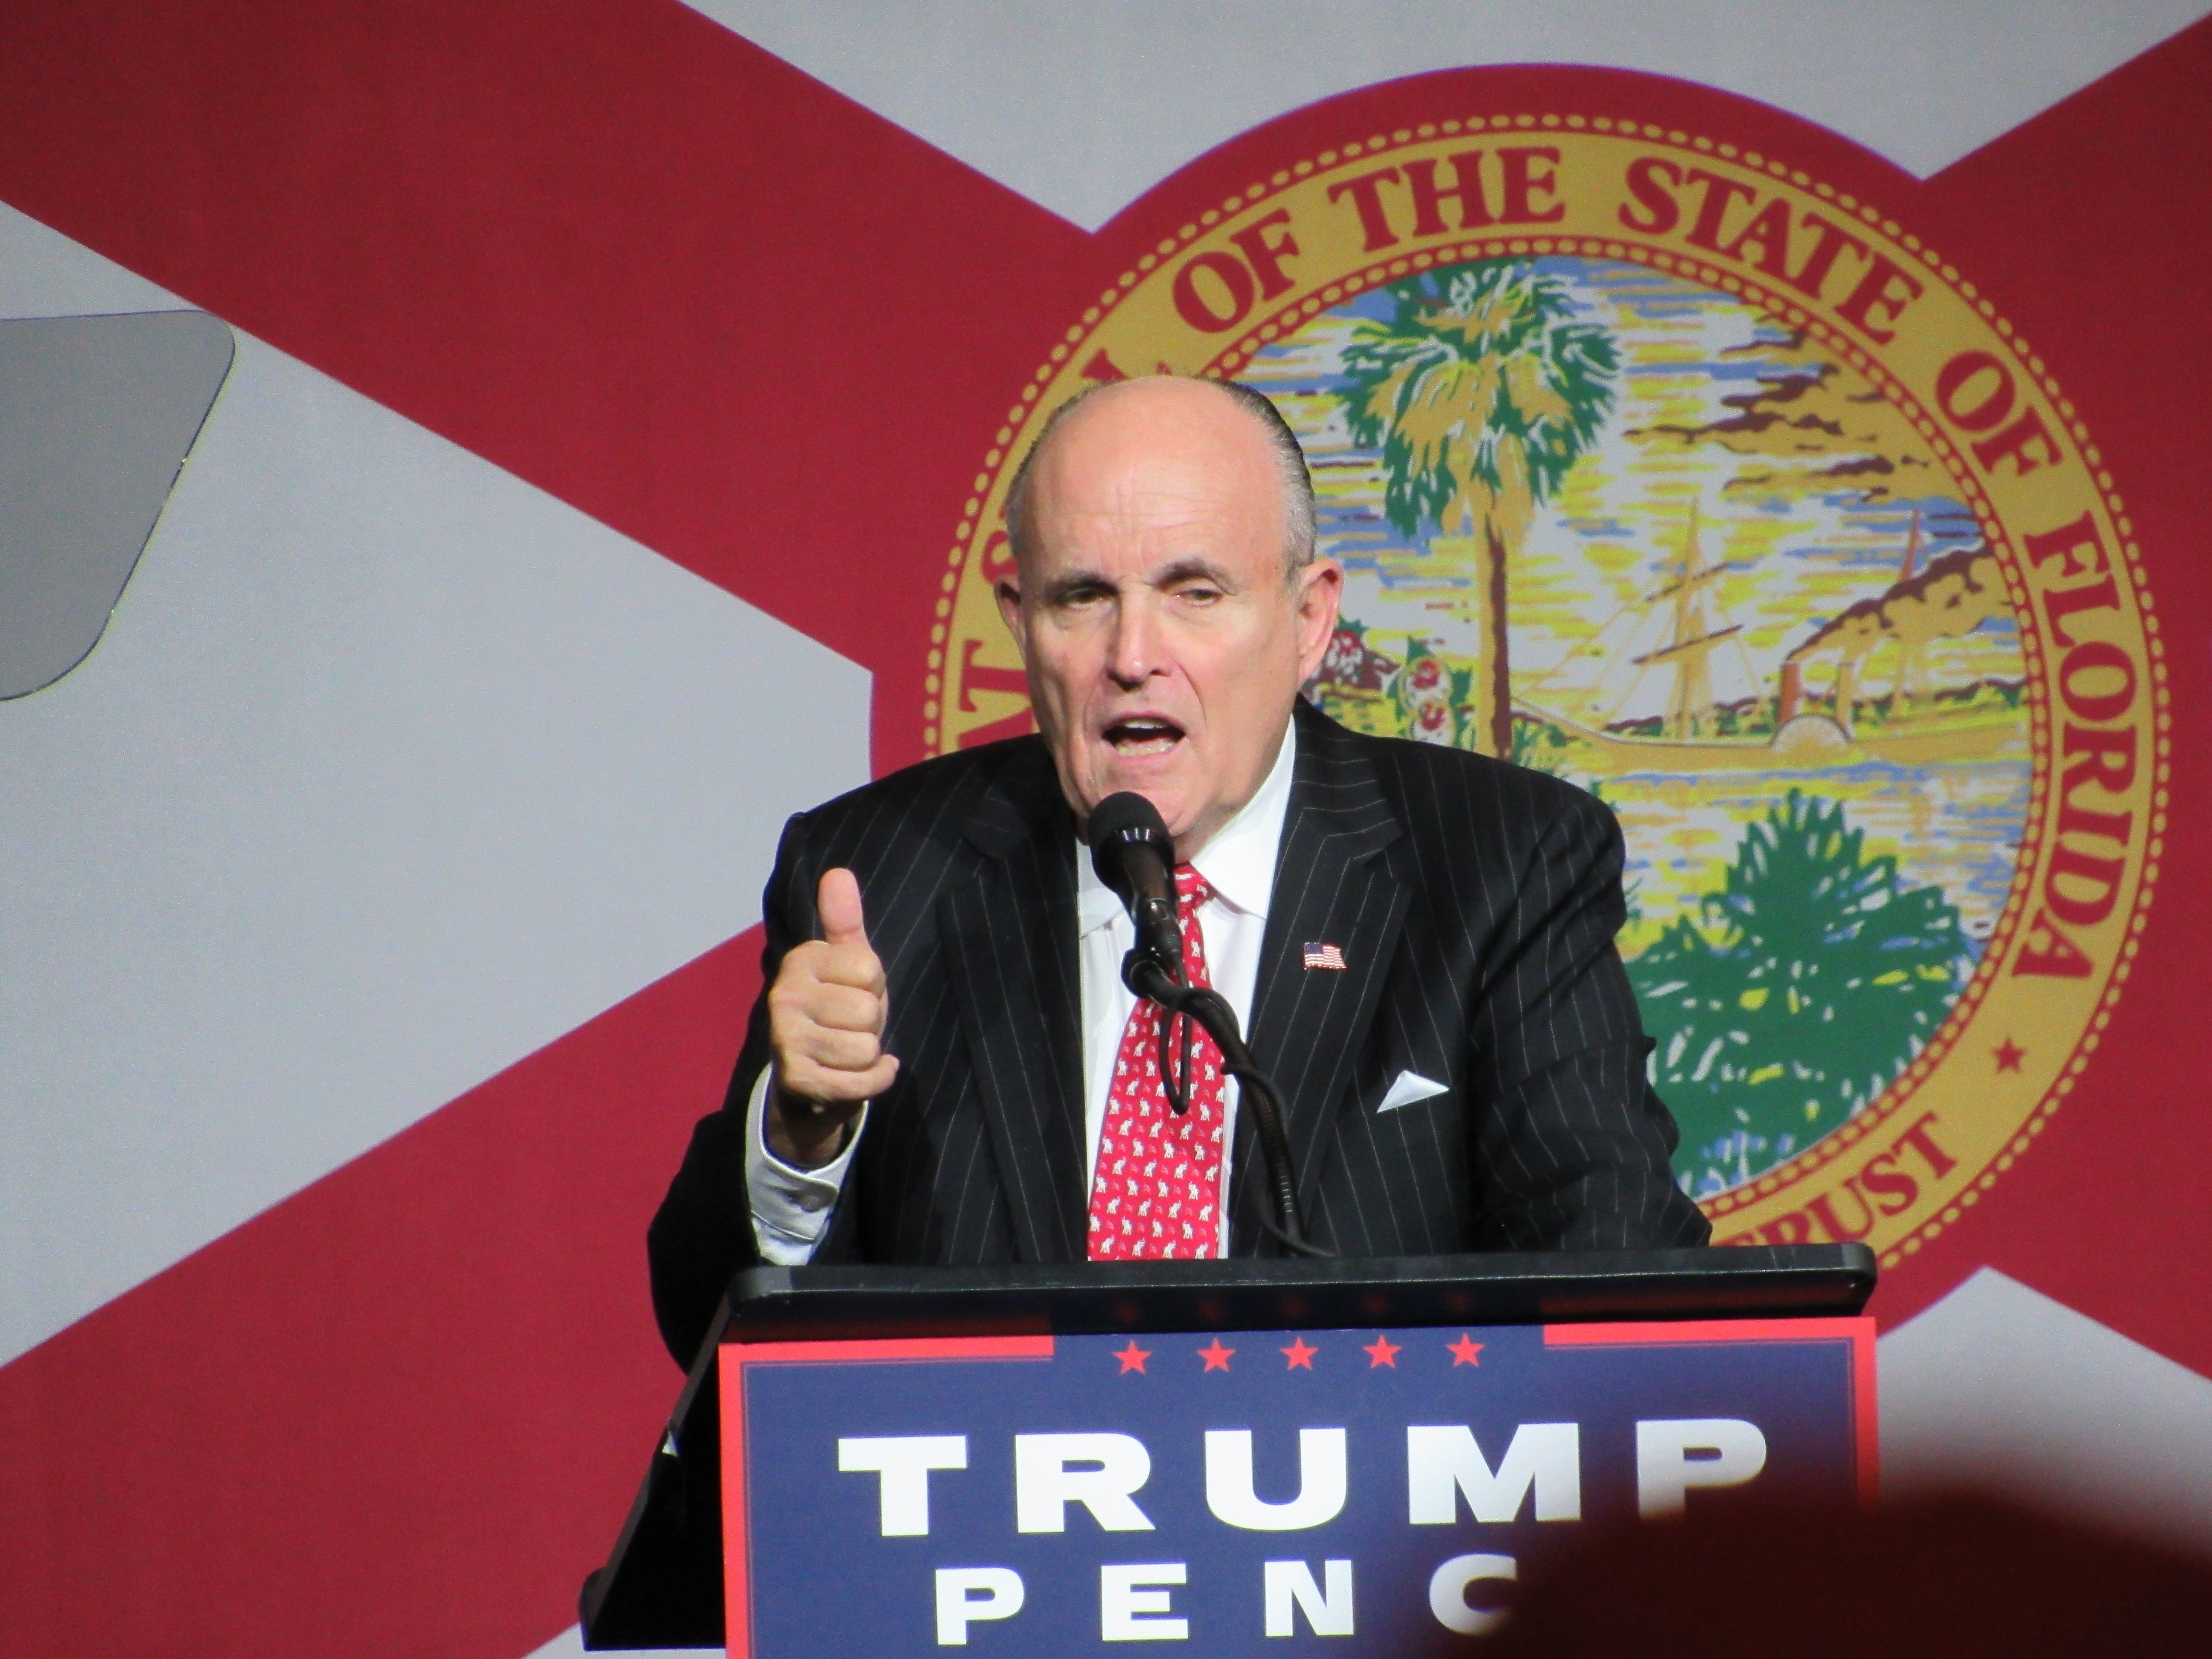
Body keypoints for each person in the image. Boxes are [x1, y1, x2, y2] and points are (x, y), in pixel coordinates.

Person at [648, 375, 1707, 1366]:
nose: (1133, 654)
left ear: (1309, 620)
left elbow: (1623, 1279)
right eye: (1082, 598)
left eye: (1195, 592)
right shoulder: (878, 879)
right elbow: (707, 1335)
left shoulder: (1498, 863)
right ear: (1022, 627)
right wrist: (800, 1136)